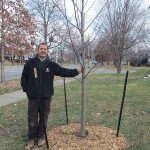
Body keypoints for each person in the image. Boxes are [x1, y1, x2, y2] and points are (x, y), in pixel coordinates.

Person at [21, 42, 80, 149]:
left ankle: (40, 137)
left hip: (46, 98)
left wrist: (78, 71)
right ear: (38, 50)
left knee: (44, 119)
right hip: (33, 98)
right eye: (41, 48)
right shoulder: (30, 63)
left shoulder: (51, 64)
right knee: (32, 119)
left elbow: (63, 71)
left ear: (47, 51)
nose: (43, 50)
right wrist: (27, 90)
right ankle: (31, 138)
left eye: (45, 49)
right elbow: (24, 77)